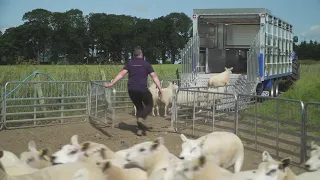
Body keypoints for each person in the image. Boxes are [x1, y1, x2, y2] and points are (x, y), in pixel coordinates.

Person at [104, 46, 162, 136]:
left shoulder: (130, 63)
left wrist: (111, 84)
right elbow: (154, 77)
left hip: (131, 90)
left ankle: (140, 129)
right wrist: (160, 88)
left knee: (139, 107)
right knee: (150, 104)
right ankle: (141, 118)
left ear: (134, 55)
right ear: (141, 54)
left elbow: (121, 74)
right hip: (142, 89)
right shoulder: (146, 64)